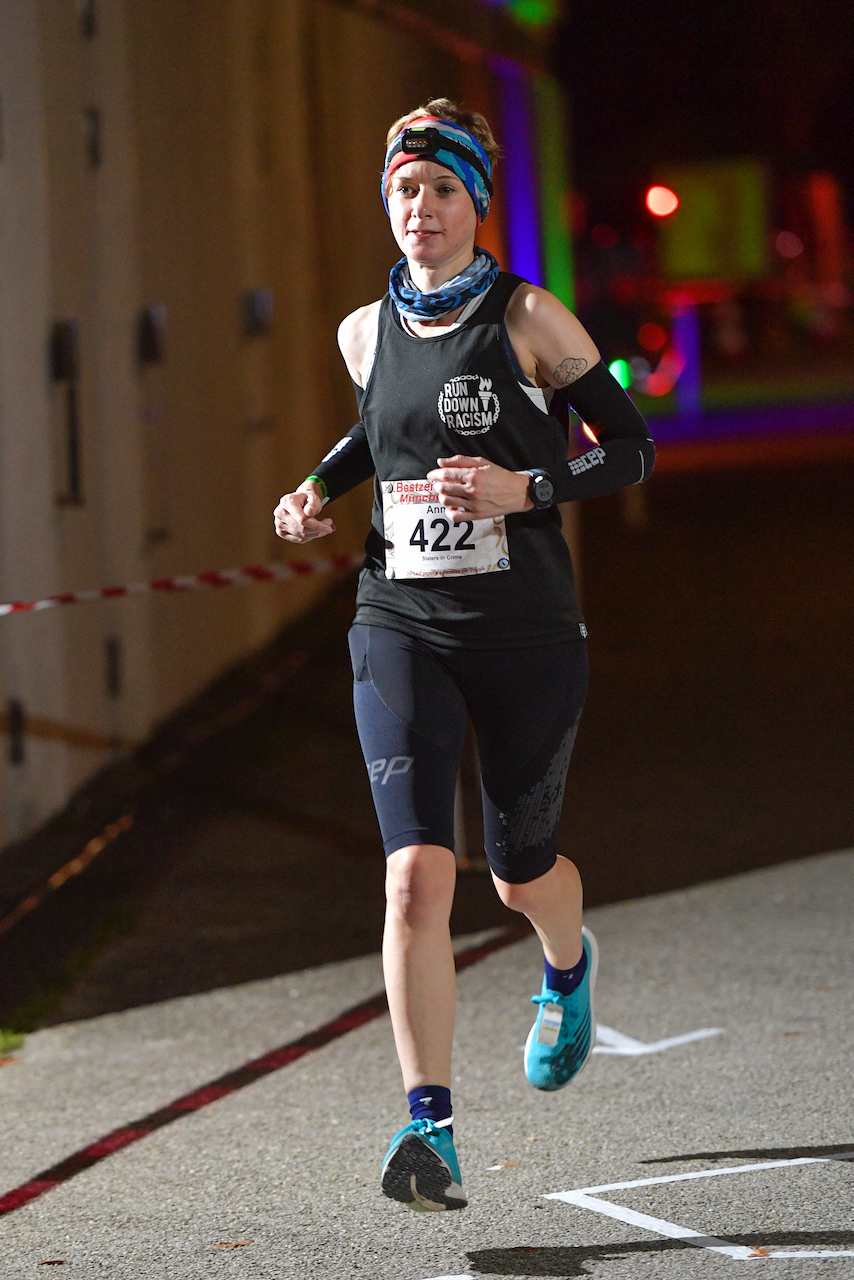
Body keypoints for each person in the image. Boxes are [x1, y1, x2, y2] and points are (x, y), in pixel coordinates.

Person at [274, 99, 654, 1213]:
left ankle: (565, 965)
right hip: (399, 621)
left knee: (515, 870)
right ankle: (427, 1126)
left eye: (441, 191)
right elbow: (376, 429)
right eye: (402, 191)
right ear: (384, 203)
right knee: (411, 878)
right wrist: (315, 490)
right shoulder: (360, 329)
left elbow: (628, 447)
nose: (420, 211)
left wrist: (523, 487)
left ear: (475, 203)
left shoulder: (530, 317)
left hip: (526, 631)